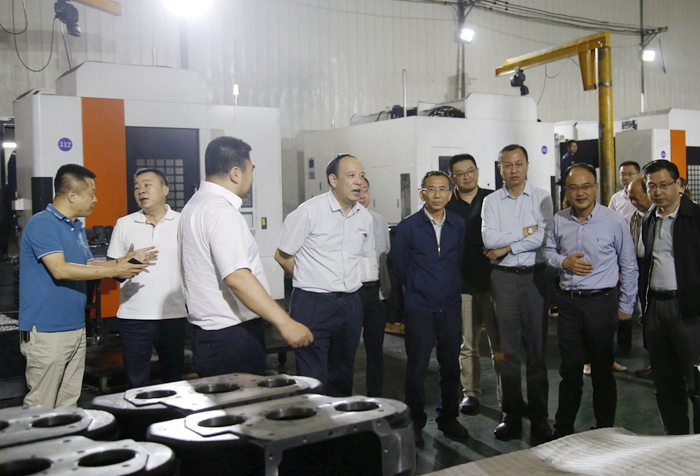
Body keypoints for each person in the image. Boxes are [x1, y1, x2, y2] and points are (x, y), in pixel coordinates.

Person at [19, 164, 153, 409]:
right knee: (41, 408)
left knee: (68, 406)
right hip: (47, 331)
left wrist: (122, 262)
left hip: (76, 328)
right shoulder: (42, 224)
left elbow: (88, 265)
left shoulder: (76, 227)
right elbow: (60, 269)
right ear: (72, 195)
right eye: (91, 194)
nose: (95, 199)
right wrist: (114, 270)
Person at [180, 137, 313, 378]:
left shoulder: (195, 205)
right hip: (232, 337)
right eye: (251, 170)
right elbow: (238, 278)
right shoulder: (220, 212)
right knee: (243, 400)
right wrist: (285, 323)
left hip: (208, 336)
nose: (251, 178)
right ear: (235, 173)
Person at [544, 164, 638, 438]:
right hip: (569, 305)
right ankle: (563, 430)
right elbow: (547, 251)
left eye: (586, 186)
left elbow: (629, 265)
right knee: (570, 370)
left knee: (602, 372)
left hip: (602, 303)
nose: (580, 193)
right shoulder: (559, 220)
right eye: (574, 187)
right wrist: (563, 262)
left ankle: (605, 430)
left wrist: (626, 305)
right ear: (566, 191)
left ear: (596, 188)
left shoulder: (614, 221)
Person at [275, 154, 374, 397]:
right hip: (313, 304)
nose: (358, 181)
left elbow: (362, 260)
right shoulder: (309, 212)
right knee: (313, 378)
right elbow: (283, 256)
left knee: (343, 374)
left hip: (350, 305)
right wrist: (311, 277)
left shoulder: (365, 217)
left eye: (361, 175)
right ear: (333, 180)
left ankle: (340, 420)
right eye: (351, 175)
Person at [481, 144, 553, 442]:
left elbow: (544, 235)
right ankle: (511, 417)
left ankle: (539, 420)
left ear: (527, 165)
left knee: (536, 352)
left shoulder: (542, 197)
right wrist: (525, 232)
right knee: (507, 353)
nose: (513, 170)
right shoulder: (491, 201)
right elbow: (488, 238)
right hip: (504, 280)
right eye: (507, 165)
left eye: (518, 164)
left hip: (535, 278)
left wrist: (508, 247)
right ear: (500, 168)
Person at [394, 171, 468, 445]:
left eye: (443, 189)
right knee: (416, 369)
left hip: (450, 306)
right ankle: (414, 423)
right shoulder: (408, 227)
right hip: (419, 308)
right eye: (431, 189)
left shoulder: (458, 224)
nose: (437, 194)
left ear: (450, 193)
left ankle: (449, 418)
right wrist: (419, 287)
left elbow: (458, 259)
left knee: (450, 367)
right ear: (421, 193)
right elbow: (400, 266)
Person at [107, 168, 187, 388]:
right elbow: (112, 270)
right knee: (136, 381)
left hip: (172, 313)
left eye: (147, 185)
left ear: (165, 190)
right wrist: (127, 262)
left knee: (174, 379)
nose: (141, 190)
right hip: (134, 316)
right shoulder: (124, 224)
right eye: (137, 187)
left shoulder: (183, 223)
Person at [639, 159, 700, 435]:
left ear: (679, 184)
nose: (658, 192)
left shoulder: (695, 218)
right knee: (665, 383)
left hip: (690, 311)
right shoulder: (649, 219)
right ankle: (674, 440)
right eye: (652, 186)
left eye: (664, 185)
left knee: (696, 382)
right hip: (656, 309)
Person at [445, 154, 499, 416]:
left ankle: (506, 394)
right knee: (468, 344)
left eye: (470, 171)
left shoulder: (494, 199)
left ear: (477, 171)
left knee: (499, 344)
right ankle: (471, 393)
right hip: (462, 284)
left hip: (493, 283)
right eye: (460, 173)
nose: (466, 177)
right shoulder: (447, 204)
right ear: (452, 178)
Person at [357, 177, 391, 397]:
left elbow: (384, 254)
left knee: (375, 350)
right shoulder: (339, 221)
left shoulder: (379, 220)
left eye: (366, 190)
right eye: (357, 191)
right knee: (346, 349)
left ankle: (375, 397)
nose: (362, 196)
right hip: (351, 293)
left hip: (375, 293)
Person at [627, 177, 654, 379]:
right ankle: (653, 361)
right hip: (639, 266)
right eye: (631, 199)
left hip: (655, 266)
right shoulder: (634, 217)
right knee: (645, 315)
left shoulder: (659, 215)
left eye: (637, 198)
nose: (634, 202)